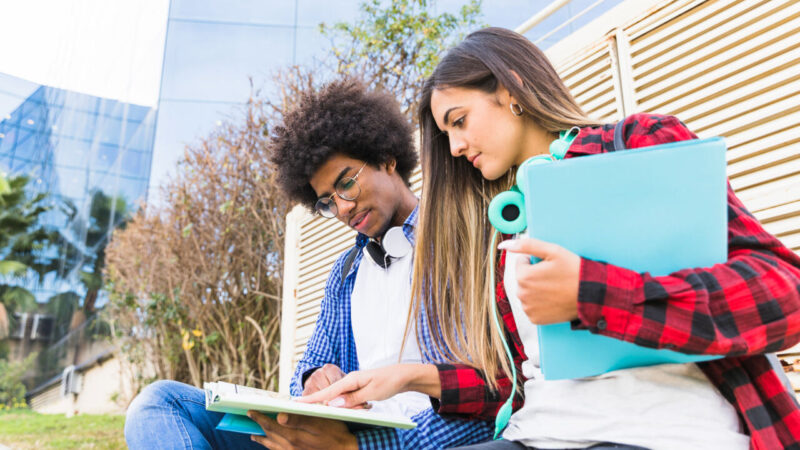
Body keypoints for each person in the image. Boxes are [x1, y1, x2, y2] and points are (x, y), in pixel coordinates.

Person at [299, 28, 800, 449]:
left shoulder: (635, 147)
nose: (454, 148)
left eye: (459, 122)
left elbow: (783, 295)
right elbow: (520, 382)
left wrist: (590, 293)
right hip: (537, 434)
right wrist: (412, 376)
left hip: (663, 429)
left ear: (512, 89)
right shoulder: (504, 225)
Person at [124, 78, 493, 449]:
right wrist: (315, 379)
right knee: (161, 404)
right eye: (327, 201)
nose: (343, 208)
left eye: (346, 183)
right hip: (344, 432)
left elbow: (494, 397)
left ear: (386, 158)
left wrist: (363, 447)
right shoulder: (347, 271)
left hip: (415, 438)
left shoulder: (460, 238)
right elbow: (309, 366)